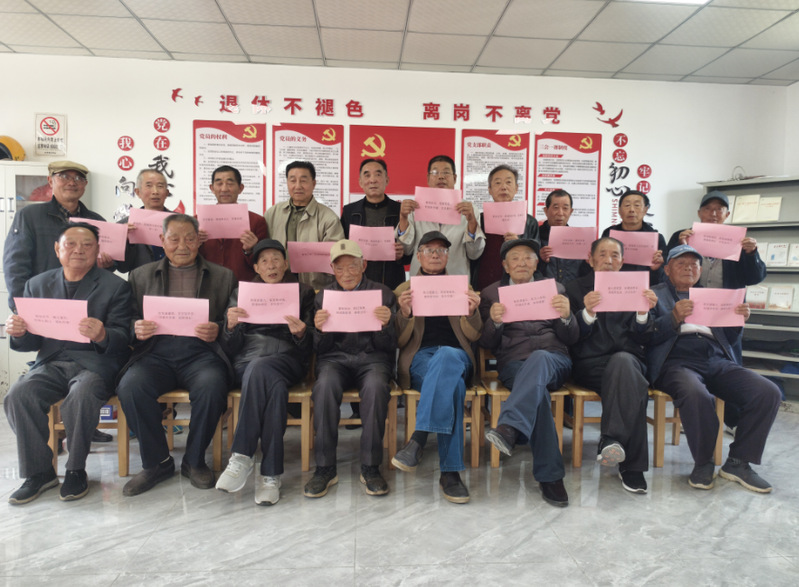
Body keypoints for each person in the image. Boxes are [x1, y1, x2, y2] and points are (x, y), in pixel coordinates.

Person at [4, 224, 132, 504]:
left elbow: (125, 338)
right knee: (18, 394)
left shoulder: (116, 287)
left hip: (95, 364)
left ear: (98, 250)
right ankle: (39, 473)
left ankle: (75, 469)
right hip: (51, 362)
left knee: (81, 394)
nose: (78, 250)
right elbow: (31, 341)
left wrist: (104, 335)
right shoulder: (36, 285)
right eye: (70, 244)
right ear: (57, 249)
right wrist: (19, 332)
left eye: (87, 245)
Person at [117, 214, 235, 496]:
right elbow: (125, 319)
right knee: (131, 386)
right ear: (162, 240)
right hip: (155, 353)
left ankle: (194, 460)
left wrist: (218, 329)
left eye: (190, 239)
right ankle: (157, 462)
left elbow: (232, 323)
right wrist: (136, 328)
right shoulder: (140, 275)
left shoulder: (223, 276)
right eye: (174, 239)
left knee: (212, 387)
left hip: (201, 353)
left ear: (199, 241)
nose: (183, 246)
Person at [647, 244, 781, 493]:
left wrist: (738, 320)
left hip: (716, 359)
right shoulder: (654, 295)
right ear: (666, 269)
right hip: (675, 361)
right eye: (681, 263)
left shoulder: (713, 296)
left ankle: (738, 462)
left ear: (701, 270)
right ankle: (704, 462)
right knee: (696, 394)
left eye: (694, 264)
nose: (688, 268)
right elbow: (644, 336)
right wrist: (673, 317)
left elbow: (728, 338)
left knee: (768, 392)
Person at [216, 239, 315, 505]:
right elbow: (229, 346)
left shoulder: (303, 292)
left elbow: (311, 345)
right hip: (248, 359)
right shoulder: (241, 293)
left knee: (262, 370)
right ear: (257, 268)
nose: (271, 266)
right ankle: (270, 474)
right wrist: (230, 327)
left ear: (286, 264)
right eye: (264, 261)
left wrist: (302, 334)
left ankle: (241, 456)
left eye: (276, 260)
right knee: (273, 386)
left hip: (287, 359)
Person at [479, 238, 577, 507]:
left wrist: (567, 316)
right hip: (514, 364)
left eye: (528, 257)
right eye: (515, 258)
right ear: (505, 266)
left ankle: (510, 426)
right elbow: (486, 342)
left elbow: (572, 337)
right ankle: (550, 477)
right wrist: (494, 322)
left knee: (541, 357)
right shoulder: (491, 293)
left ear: (537, 263)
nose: (522, 262)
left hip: (554, 360)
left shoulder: (555, 289)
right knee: (538, 393)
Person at [391, 231, 482, 504]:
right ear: (418, 256)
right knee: (453, 387)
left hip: (458, 356)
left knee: (448, 355)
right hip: (421, 359)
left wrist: (472, 312)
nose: (434, 255)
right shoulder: (403, 290)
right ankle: (450, 474)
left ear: (447, 256)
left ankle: (418, 439)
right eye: (429, 250)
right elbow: (398, 341)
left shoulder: (462, 287)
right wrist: (404, 314)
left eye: (440, 250)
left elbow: (475, 335)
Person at [305, 239, 397, 498]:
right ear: (332, 270)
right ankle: (325, 468)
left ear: (364, 266)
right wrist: (320, 330)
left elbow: (391, 345)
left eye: (352, 266)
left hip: (372, 358)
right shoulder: (323, 297)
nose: (346, 273)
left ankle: (370, 467)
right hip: (334, 359)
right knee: (323, 388)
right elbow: (319, 349)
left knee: (377, 388)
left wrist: (386, 325)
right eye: (339, 268)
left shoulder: (383, 294)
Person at [565, 237, 657, 494]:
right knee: (632, 386)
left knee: (625, 367)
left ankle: (612, 439)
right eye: (602, 254)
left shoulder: (636, 288)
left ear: (622, 261)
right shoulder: (574, 289)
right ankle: (632, 467)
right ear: (590, 259)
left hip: (629, 361)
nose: (608, 260)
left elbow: (646, 337)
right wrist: (587, 313)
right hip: (591, 364)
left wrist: (643, 313)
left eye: (615, 255)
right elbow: (569, 335)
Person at [4, 160, 113, 311]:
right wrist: (21, 306)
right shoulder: (29, 216)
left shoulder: (97, 221)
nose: (72, 183)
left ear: (85, 184)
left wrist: (108, 264)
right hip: (42, 300)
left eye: (78, 178)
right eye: (64, 176)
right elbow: (15, 265)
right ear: (50, 181)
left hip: (87, 304)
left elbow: (106, 269)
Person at [396, 155, 485, 277]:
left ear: (455, 178)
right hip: (421, 277)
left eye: (446, 172)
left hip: (456, 276)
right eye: (435, 172)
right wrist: (403, 218)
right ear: (428, 178)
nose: (441, 176)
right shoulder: (414, 207)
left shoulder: (469, 209)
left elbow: (474, 253)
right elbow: (406, 250)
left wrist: (471, 221)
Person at [264, 160, 344, 290]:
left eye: (303, 180)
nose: (298, 186)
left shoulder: (329, 218)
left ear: (313, 183)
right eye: (292, 180)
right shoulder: (272, 213)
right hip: (278, 286)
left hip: (315, 287)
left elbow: (337, 257)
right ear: (287, 183)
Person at [341, 158, 410, 290]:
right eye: (367, 175)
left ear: (387, 180)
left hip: (392, 284)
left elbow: (411, 254)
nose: (372, 180)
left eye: (378, 174)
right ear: (360, 182)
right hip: (357, 284)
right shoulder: (350, 212)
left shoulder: (401, 211)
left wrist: (402, 254)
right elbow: (340, 247)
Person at [472, 164, 540, 291]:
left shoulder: (529, 222)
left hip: (518, 285)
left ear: (516, 188)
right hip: (484, 284)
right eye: (498, 183)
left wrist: (518, 243)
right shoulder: (478, 220)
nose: (503, 187)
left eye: (508, 182)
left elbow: (536, 256)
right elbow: (471, 254)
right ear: (489, 189)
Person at [199, 165, 269, 283]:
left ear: (240, 188)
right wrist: (193, 245)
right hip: (207, 284)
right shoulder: (197, 221)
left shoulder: (257, 221)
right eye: (219, 183)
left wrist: (251, 250)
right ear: (212, 188)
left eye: (230, 183)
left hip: (242, 284)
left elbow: (265, 264)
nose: (224, 189)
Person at [600, 190, 666, 285]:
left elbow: (665, 276)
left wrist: (657, 268)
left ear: (645, 210)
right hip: (613, 284)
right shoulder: (609, 234)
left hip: (646, 287)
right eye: (627, 205)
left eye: (637, 205)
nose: (631, 210)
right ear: (619, 210)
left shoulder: (656, 239)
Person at [116, 169, 173, 274]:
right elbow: (122, 268)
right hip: (140, 282)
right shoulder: (123, 226)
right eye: (149, 186)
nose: (155, 191)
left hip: (176, 280)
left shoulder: (182, 222)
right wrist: (126, 241)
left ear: (166, 193)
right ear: (138, 192)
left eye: (160, 186)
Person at [538, 189, 582, 285]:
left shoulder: (579, 239)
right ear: (546, 211)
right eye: (556, 208)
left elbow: (584, 273)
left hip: (572, 291)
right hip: (543, 290)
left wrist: (590, 262)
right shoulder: (536, 236)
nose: (560, 213)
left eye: (565, 208)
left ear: (571, 211)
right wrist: (539, 259)